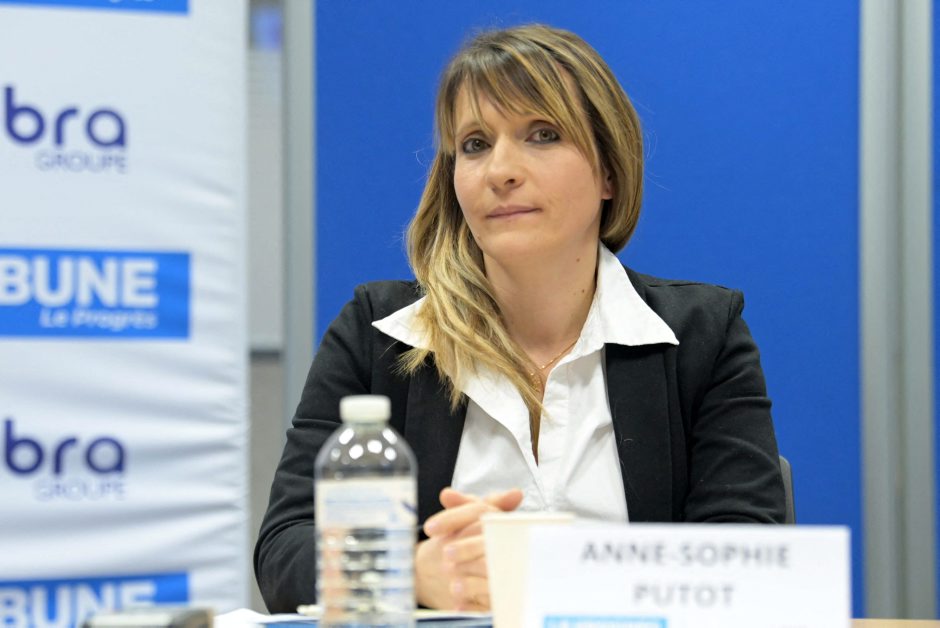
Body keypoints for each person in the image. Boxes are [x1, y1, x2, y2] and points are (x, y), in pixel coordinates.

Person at [254, 23, 786, 613]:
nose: (500, 170)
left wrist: (565, 576)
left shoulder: (701, 334)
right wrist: (409, 573)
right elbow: (283, 548)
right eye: (475, 144)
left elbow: (746, 551)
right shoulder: (378, 333)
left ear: (610, 172)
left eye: (543, 135)